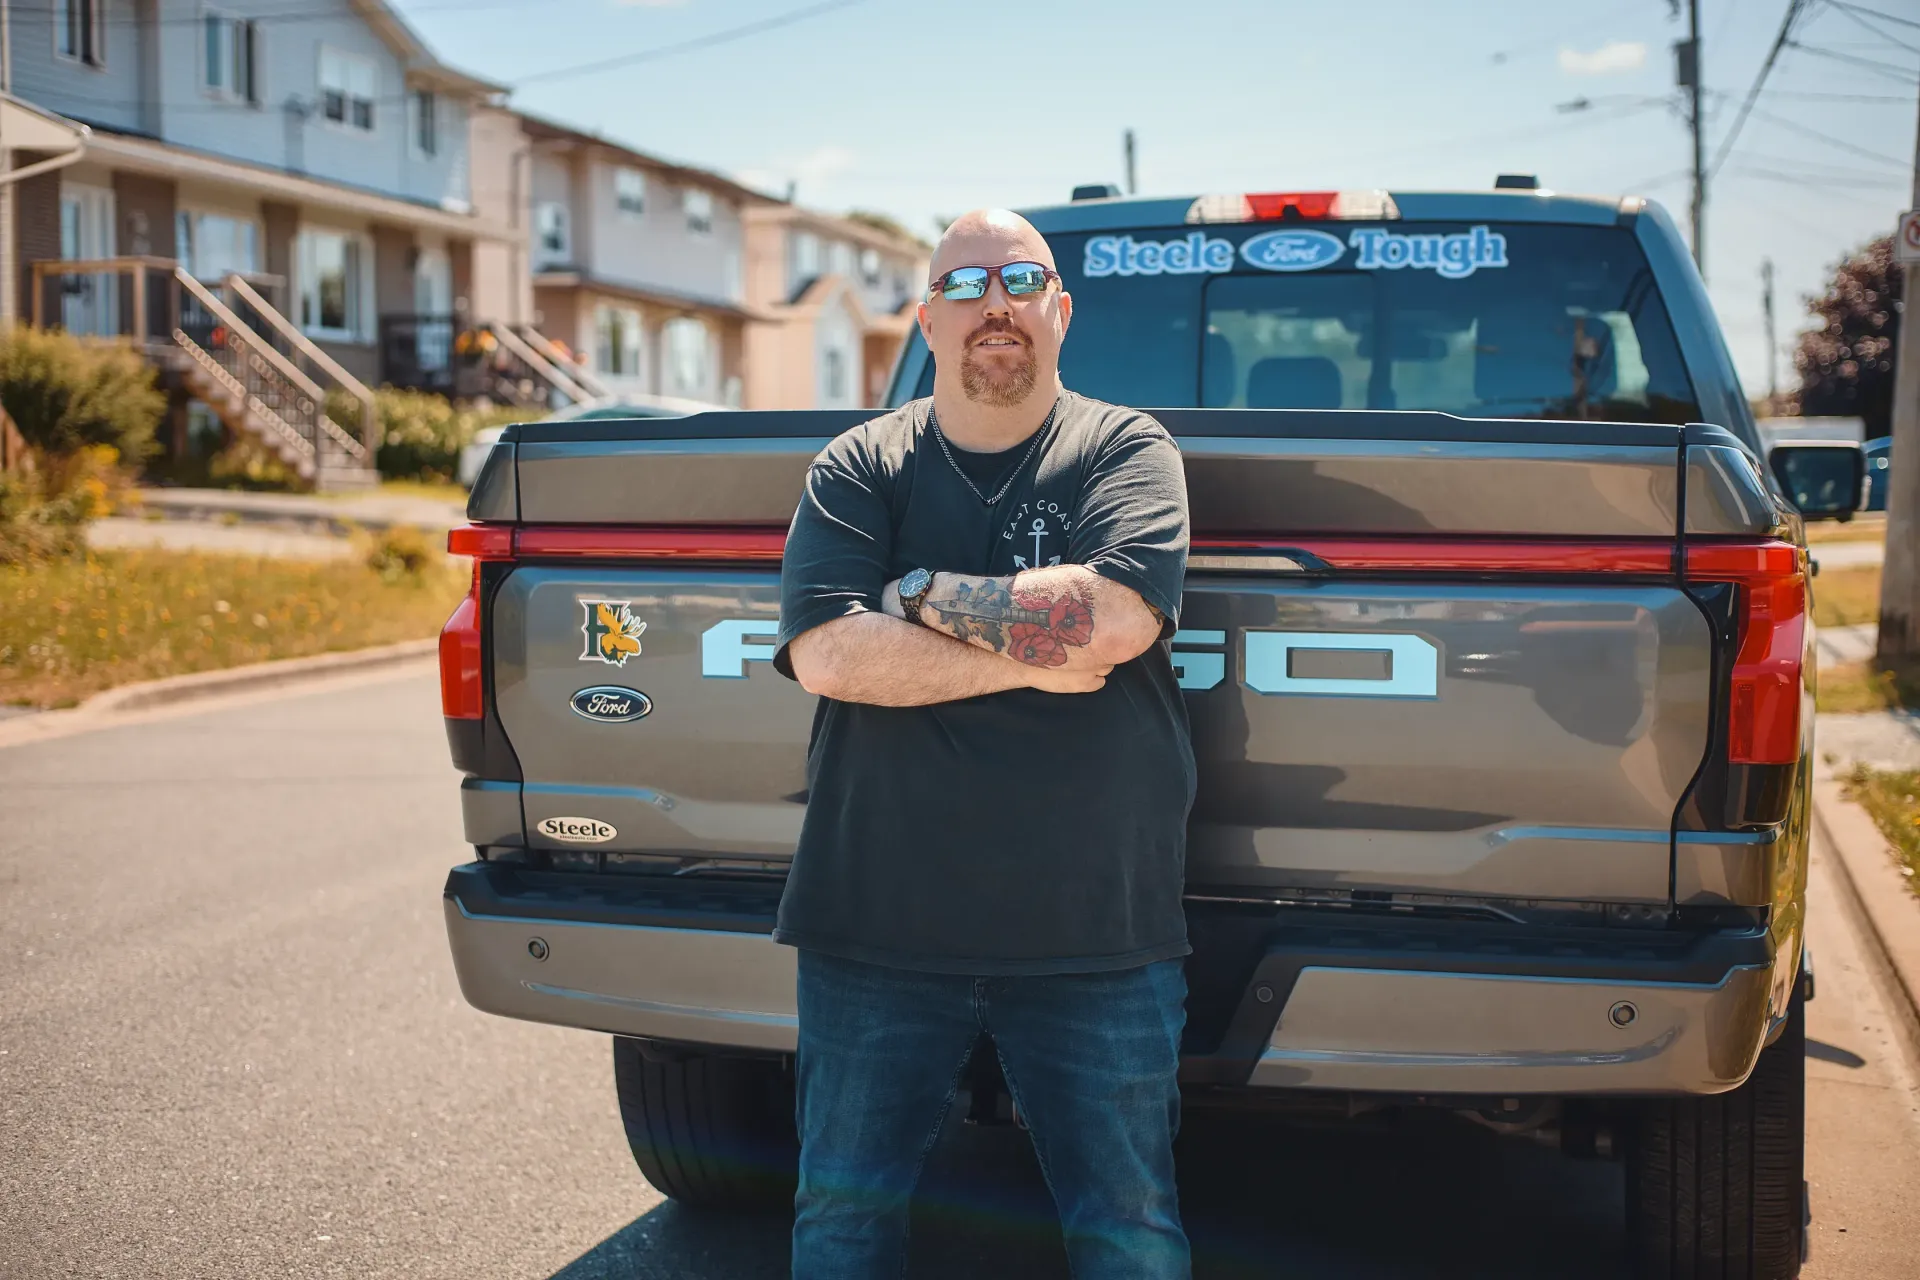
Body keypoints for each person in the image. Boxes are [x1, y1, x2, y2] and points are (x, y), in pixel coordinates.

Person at [773, 208, 1196, 1279]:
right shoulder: (861, 462)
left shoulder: (1125, 448)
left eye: (1020, 278)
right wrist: (1032, 648)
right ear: (925, 318)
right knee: (840, 1225)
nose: (993, 302)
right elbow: (828, 654)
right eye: (965, 284)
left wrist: (910, 596)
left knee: (1128, 1231)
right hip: (875, 924)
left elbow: (1115, 620)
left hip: (1095, 926)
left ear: (1060, 309)